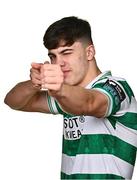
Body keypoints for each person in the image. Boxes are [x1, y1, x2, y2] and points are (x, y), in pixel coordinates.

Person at [4, 16, 137, 179]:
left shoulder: (117, 88)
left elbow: (90, 102)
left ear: (89, 52)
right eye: (53, 56)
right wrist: (35, 83)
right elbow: (13, 101)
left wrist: (59, 89)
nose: (58, 63)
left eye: (66, 53)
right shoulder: (66, 96)